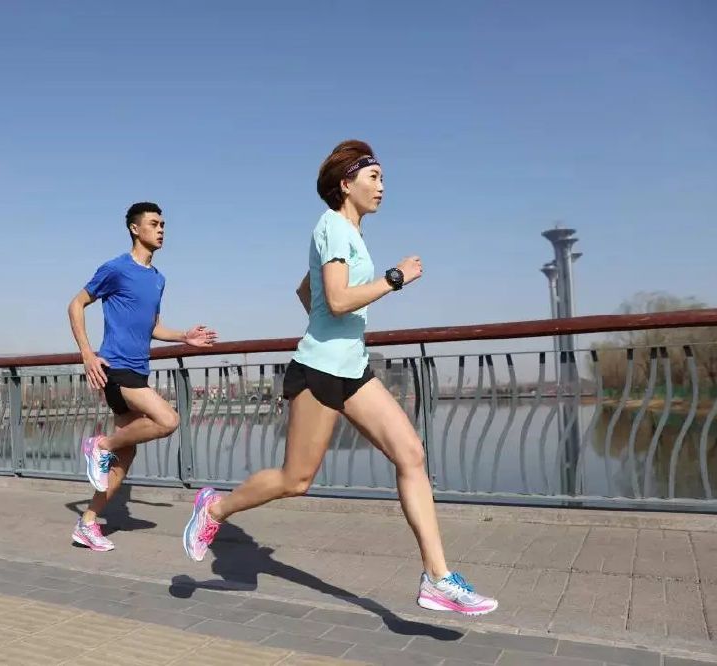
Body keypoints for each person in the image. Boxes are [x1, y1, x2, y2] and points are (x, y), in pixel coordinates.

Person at [182, 142, 497, 615]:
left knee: (411, 454)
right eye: (374, 177)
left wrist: (327, 326)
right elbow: (335, 299)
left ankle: (437, 578)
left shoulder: (350, 233)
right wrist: (395, 278)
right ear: (346, 184)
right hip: (319, 371)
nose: (382, 186)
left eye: (383, 178)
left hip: (352, 368)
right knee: (295, 479)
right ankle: (213, 509)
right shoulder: (331, 226)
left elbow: (306, 289)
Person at [68, 201, 217, 551]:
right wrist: (87, 354)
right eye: (153, 223)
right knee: (168, 420)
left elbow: (152, 327)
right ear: (135, 229)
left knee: (124, 460)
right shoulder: (116, 269)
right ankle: (100, 445)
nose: (161, 229)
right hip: (116, 368)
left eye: (163, 224)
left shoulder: (157, 279)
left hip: (138, 370)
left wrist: (184, 337)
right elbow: (76, 304)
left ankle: (87, 523)